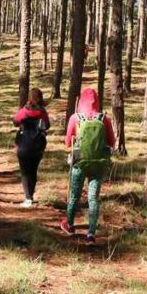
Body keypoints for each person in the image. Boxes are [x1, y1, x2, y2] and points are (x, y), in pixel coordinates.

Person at [60, 88, 114, 244]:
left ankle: (69, 224)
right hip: (98, 164)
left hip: (79, 163)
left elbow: (67, 142)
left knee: (74, 195)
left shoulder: (75, 118)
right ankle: (91, 233)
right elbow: (111, 142)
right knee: (93, 198)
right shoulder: (104, 119)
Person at [12, 88, 50, 208]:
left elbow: (15, 121)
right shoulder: (43, 112)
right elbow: (47, 125)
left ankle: (28, 198)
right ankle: (31, 195)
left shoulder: (25, 110)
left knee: (25, 171)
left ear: (30, 97)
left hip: (23, 144)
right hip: (38, 145)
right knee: (33, 170)